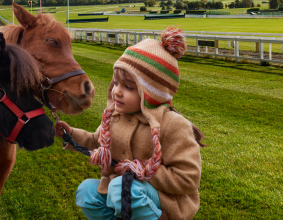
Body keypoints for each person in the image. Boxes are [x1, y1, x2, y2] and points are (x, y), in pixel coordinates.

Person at [55, 27, 206, 220]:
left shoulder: (172, 124)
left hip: (163, 200)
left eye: (128, 87)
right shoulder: (116, 117)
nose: (116, 91)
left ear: (151, 92)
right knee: (86, 192)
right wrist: (71, 134)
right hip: (123, 191)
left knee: (121, 188)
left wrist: (140, 170)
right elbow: (95, 141)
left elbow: (189, 177)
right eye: (116, 83)